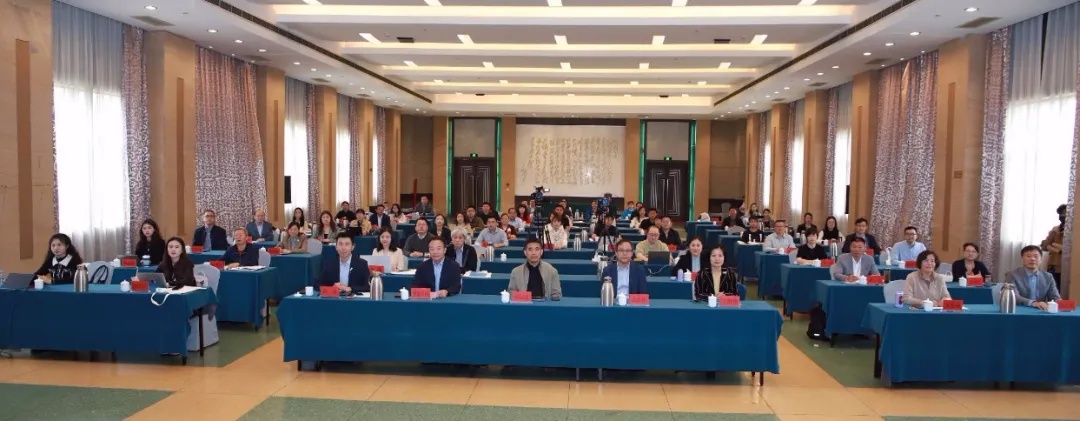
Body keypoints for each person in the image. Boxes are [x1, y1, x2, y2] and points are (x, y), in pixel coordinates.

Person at [1008, 245, 1062, 309]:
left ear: (1041, 259)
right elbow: (1013, 296)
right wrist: (1033, 303)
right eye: (1028, 256)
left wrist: (1060, 303)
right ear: (1022, 259)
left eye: (1036, 256)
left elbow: (1055, 297)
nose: (1032, 259)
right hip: (1019, 310)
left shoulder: (1048, 276)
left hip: (1040, 310)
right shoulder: (1012, 275)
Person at [1040, 204, 1066, 290]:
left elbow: (1068, 248)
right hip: (1053, 265)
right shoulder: (1055, 229)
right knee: (1053, 289)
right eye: (1060, 214)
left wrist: (1054, 245)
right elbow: (1044, 245)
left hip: (1066, 265)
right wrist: (1057, 249)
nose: (1062, 216)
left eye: (1064, 213)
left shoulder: (1074, 230)